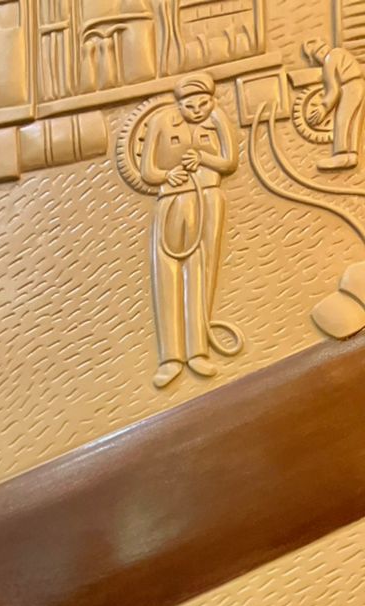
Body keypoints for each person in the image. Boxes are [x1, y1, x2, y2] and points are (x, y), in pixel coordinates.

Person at [138, 73, 239, 388]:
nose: (197, 111)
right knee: (166, 272)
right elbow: (147, 170)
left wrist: (204, 157)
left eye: (204, 104)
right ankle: (170, 357)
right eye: (190, 105)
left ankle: (197, 351)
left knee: (200, 272)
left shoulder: (216, 119)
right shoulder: (161, 122)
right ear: (179, 103)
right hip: (172, 200)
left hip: (207, 197)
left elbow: (229, 162)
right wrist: (167, 175)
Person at [304, 39, 365, 172]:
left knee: (342, 120)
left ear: (319, 54)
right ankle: (352, 156)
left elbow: (334, 90)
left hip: (348, 88)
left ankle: (341, 155)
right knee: (354, 121)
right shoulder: (341, 52)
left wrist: (324, 108)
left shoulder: (329, 59)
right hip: (360, 85)